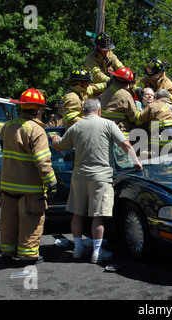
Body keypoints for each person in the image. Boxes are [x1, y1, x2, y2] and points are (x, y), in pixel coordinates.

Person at [51, 99, 142, 264]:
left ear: (84, 111)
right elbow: (125, 145)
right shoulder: (108, 124)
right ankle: (97, 252)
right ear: (99, 111)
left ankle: (78, 248)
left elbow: (58, 146)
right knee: (98, 216)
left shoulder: (75, 127)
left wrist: (54, 137)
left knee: (77, 213)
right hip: (101, 177)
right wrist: (136, 162)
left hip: (79, 176)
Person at [0, 88, 57, 264]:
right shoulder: (37, 131)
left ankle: (7, 252)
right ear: (38, 110)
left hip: (8, 186)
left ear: (22, 107)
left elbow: (3, 136)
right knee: (31, 220)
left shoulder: (8, 126)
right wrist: (51, 182)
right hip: (30, 188)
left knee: (8, 220)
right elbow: (42, 161)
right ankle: (28, 255)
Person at [98, 67, 138, 138]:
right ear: (128, 83)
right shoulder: (125, 95)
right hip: (119, 133)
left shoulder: (106, 91)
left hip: (102, 130)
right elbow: (133, 115)